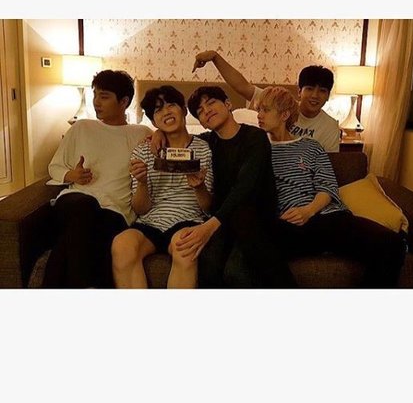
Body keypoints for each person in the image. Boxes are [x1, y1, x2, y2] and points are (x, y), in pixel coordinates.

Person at [256, 86, 406, 288]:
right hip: (290, 225)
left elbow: (327, 187)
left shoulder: (311, 146)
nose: (259, 115)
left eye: (265, 110)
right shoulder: (258, 150)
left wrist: (308, 211)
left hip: (329, 217)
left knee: (394, 245)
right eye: (258, 110)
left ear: (284, 115)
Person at [152, 85, 295, 288]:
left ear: (228, 104)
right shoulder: (206, 143)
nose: (207, 111)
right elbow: (180, 139)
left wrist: (209, 227)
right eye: (200, 111)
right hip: (224, 221)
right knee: (208, 265)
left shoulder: (255, 137)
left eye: (211, 103)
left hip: (254, 220)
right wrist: (159, 132)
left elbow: (245, 187)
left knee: (235, 272)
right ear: (201, 123)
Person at [43, 70, 152, 288]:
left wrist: (159, 135)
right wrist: (71, 175)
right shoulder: (81, 127)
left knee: (74, 239)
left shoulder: (140, 133)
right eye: (95, 95)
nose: (96, 102)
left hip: (115, 211)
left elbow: (168, 139)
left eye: (104, 96)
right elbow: (54, 167)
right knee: (86, 206)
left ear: (124, 102)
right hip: (75, 201)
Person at [110, 85, 215, 289]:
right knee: (122, 244)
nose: (166, 112)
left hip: (188, 219)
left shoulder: (203, 148)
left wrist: (199, 187)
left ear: (183, 110)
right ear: (153, 121)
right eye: (158, 110)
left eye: (171, 105)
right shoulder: (143, 150)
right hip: (150, 221)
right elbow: (140, 209)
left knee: (184, 247)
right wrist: (142, 182)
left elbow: (208, 207)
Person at [192, 50, 340, 152]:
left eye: (322, 91)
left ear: (328, 95)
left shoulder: (330, 127)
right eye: (310, 89)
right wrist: (215, 57)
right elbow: (242, 86)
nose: (315, 95)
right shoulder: (278, 103)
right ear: (299, 91)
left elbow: (329, 165)